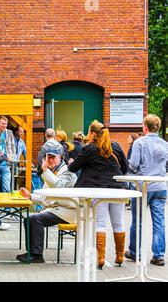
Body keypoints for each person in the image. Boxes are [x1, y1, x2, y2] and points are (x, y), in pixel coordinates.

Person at [68, 120, 128, 269]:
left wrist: (72, 162)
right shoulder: (116, 146)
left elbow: (73, 168)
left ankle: (100, 258)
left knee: (100, 223)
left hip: (98, 190)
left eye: (89, 132)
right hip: (118, 189)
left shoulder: (89, 149)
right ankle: (119, 256)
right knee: (118, 222)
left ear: (93, 133)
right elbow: (125, 168)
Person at [16, 145, 77, 263]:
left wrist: (45, 170)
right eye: (48, 157)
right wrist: (30, 196)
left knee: (35, 219)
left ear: (61, 158)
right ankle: (32, 252)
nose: (50, 160)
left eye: (53, 157)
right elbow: (47, 198)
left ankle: (37, 255)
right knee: (28, 219)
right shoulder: (53, 172)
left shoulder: (68, 171)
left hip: (68, 211)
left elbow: (58, 188)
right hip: (57, 209)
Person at [125, 114, 168, 266]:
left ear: (145, 126)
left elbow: (133, 164)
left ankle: (136, 252)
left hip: (143, 186)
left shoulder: (139, 143)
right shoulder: (165, 144)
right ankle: (159, 255)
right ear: (158, 127)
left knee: (138, 221)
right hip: (161, 186)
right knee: (159, 221)